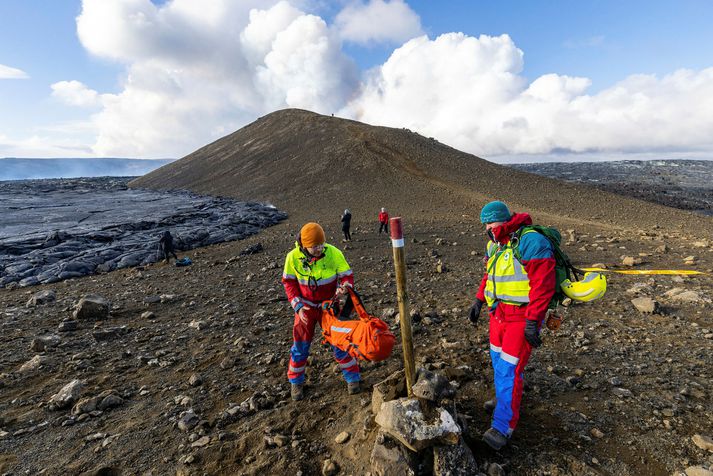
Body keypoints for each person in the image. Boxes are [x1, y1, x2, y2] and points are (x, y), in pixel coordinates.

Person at [468, 201, 556, 450]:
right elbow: (489, 275)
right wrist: (478, 300)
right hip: (498, 314)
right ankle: (503, 401)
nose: (488, 228)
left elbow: (543, 286)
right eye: (485, 224)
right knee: (498, 362)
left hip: (521, 316)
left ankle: (502, 427)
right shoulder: (495, 245)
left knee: (509, 369)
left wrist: (532, 321)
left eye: (490, 224)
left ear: (503, 221)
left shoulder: (531, 242)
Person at [282, 222, 361, 401]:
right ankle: (296, 382)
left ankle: (353, 378)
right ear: (304, 245)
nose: (318, 249)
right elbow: (289, 283)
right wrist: (298, 306)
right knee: (300, 346)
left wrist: (344, 288)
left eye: (321, 245)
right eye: (314, 246)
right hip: (306, 307)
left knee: (340, 342)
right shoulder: (292, 257)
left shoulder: (333, 252)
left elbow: (346, 275)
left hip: (329, 307)